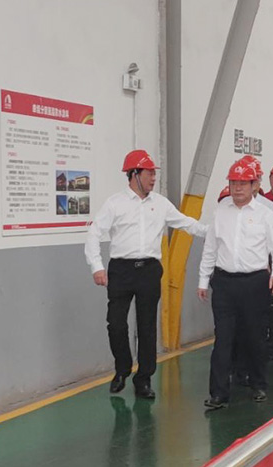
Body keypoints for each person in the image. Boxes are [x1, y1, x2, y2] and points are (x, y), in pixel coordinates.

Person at [85, 149, 208, 399]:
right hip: (121, 270)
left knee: (147, 326)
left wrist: (215, 232)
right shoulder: (115, 204)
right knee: (115, 324)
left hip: (149, 271)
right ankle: (122, 368)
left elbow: (186, 223)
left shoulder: (160, 204)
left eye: (154, 174)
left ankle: (144, 379)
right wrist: (97, 266)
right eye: (149, 173)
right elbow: (94, 234)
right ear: (134, 174)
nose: (153, 178)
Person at [198, 160, 273, 409]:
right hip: (224, 283)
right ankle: (218, 393)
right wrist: (203, 280)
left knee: (255, 336)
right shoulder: (221, 211)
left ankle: (258, 384)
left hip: (255, 283)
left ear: (254, 185)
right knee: (223, 339)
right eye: (233, 183)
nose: (237, 188)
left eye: (243, 183)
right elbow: (210, 248)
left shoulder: (264, 214)